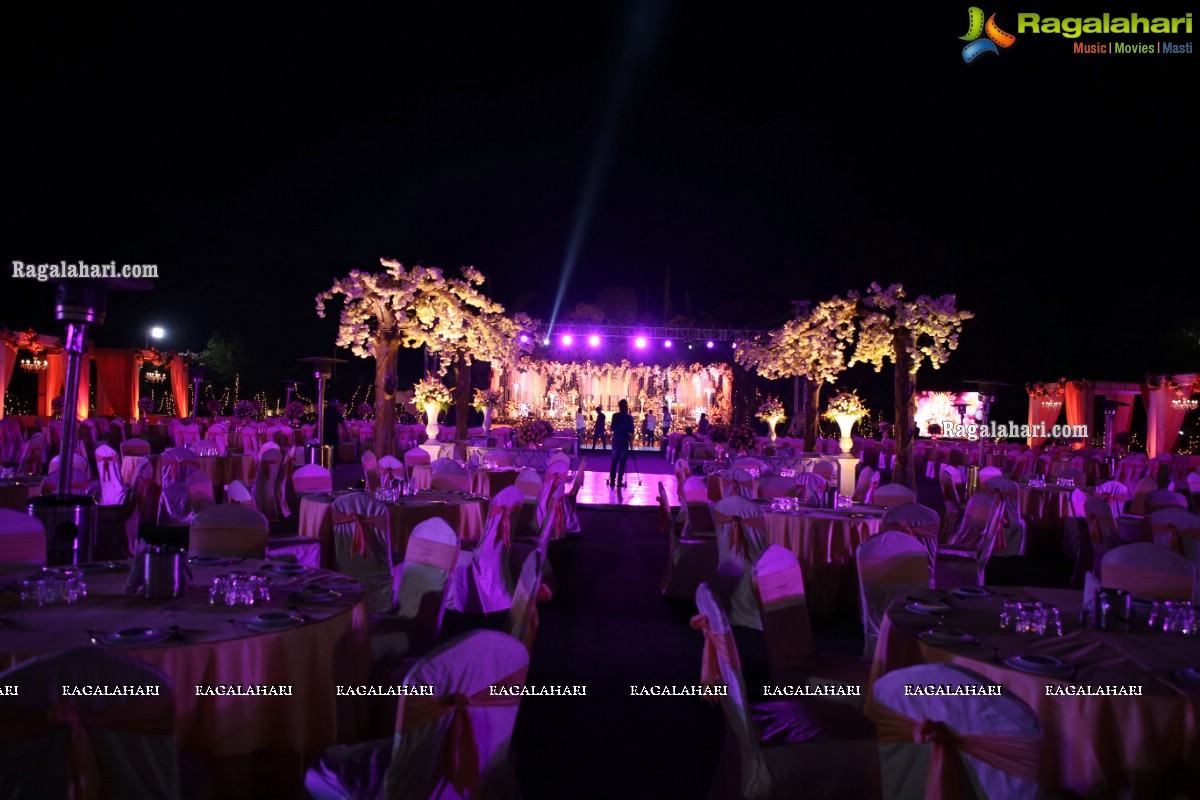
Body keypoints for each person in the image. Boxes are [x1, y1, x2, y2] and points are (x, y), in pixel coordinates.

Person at [608, 399, 635, 488]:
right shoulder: (629, 417)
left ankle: (612, 481)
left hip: (616, 440)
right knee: (622, 462)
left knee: (614, 461)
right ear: (626, 407)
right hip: (624, 441)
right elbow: (631, 430)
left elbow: (612, 428)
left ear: (619, 407)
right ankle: (619, 481)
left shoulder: (615, 416)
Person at [322, 399, 349, 465]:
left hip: (325, 433)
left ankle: (325, 461)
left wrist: (315, 433)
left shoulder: (324, 412)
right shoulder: (337, 413)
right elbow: (343, 423)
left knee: (325, 448)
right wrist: (346, 432)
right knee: (333, 449)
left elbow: (318, 423)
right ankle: (332, 463)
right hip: (333, 434)